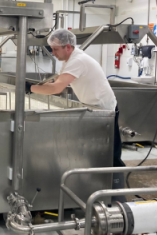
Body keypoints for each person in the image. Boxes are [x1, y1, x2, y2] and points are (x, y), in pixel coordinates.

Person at [25, 29, 126, 202]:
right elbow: (57, 83)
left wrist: (29, 88)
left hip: (104, 111)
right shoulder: (71, 59)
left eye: (55, 49)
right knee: (96, 152)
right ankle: (95, 187)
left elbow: (57, 88)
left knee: (111, 154)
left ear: (68, 47)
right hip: (93, 109)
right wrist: (43, 85)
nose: (53, 53)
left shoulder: (78, 60)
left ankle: (117, 197)